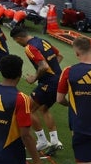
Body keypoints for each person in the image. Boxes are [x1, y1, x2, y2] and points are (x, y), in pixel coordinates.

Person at [10, 25, 64, 153]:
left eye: (16, 41)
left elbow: (44, 66)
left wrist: (34, 78)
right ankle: (55, 141)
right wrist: (53, 72)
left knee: (28, 108)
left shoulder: (29, 47)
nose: (17, 43)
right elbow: (59, 56)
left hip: (48, 83)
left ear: (19, 38)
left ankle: (42, 141)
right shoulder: (42, 40)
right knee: (43, 109)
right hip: (58, 81)